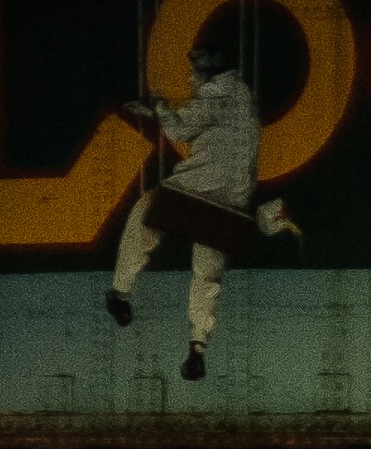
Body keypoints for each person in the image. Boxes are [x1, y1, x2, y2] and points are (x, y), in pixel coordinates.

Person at [105, 22, 302, 380]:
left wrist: (160, 107)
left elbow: (180, 130)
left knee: (144, 218)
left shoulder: (218, 93)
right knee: (208, 274)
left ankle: (119, 293)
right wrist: (160, 112)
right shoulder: (242, 97)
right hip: (231, 202)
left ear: (208, 69)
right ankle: (198, 346)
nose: (192, 76)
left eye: (195, 69)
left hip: (195, 190)